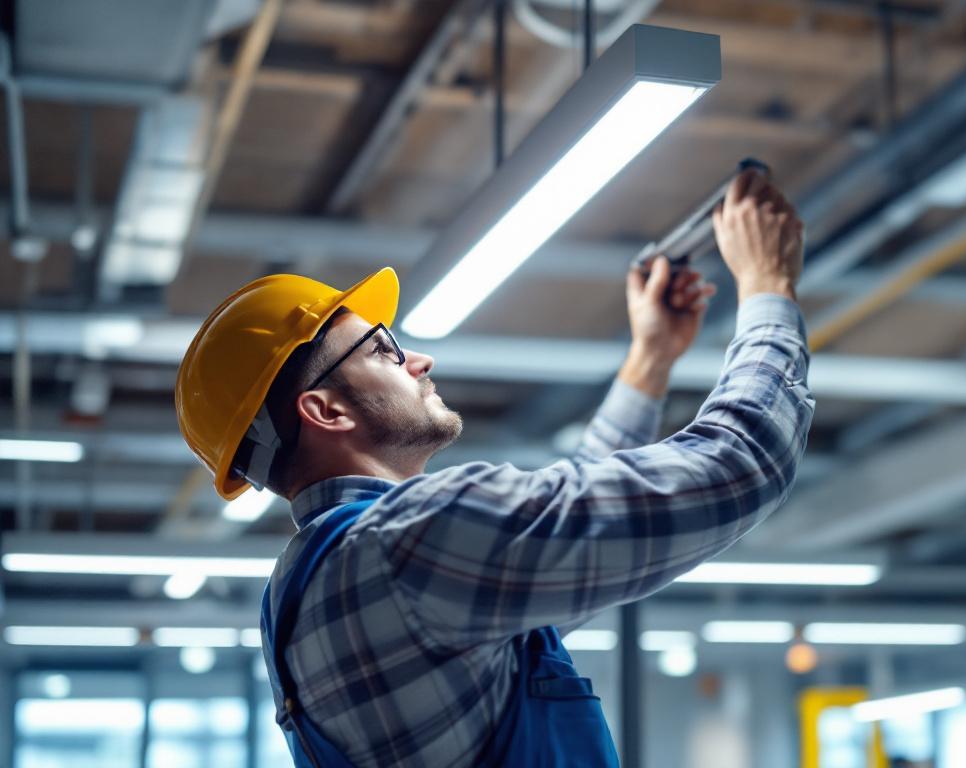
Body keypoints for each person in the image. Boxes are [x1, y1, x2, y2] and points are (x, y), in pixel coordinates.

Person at [174, 169, 812, 767]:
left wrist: (650, 359)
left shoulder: (298, 598)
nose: (418, 360)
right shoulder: (410, 541)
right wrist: (766, 286)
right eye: (382, 348)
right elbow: (738, 464)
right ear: (325, 410)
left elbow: (565, 530)